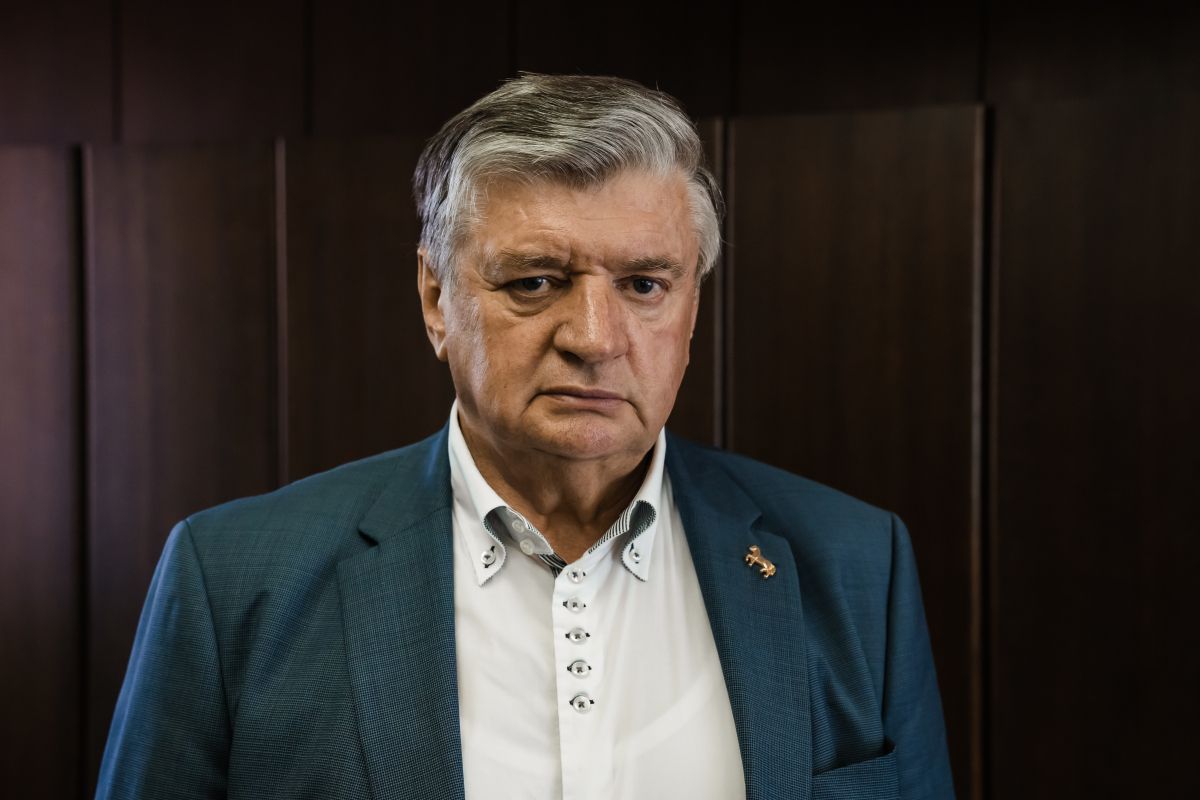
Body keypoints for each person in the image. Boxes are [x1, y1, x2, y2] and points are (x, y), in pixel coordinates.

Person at [96, 73, 954, 799]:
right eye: (536, 282)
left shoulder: (853, 564)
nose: (595, 337)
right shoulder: (234, 580)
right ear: (436, 300)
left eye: (644, 284)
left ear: (693, 306)